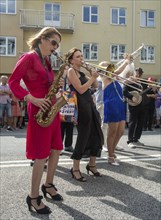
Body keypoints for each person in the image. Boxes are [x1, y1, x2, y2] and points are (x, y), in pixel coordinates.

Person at [8, 27, 64, 215]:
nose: (56, 47)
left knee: (56, 148)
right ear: (43, 39)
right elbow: (13, 82)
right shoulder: (29, 57)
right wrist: (30, 98)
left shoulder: (46, 59)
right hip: (38, 107)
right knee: (41, 155)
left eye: (58, 44)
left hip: (51, 107)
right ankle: (33, 197)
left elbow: (47, 83)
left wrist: (57, 85)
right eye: (54, 42)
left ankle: (48, 185)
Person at [65, 47, 104, 182]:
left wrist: (92, 74)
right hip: (81, 106)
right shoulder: (71, 71)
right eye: (78, 57)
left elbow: (95, 85)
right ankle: (75, 168)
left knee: (96, 134)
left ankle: (92, 165)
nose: (81, 59)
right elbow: (81, 90)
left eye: (82, 56)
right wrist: (92, 77)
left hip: (89, 104)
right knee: (83, 136)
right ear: (71, 60)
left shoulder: (81, 72)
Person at [100, 56, 132, 166]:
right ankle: (110, 155)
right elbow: (117, 71)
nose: (109, 67)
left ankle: (112, 151)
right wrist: (126, 62)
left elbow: (123, 74)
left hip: (119, 105)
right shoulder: (104, 77)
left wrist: (128, 62)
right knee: (112, 132)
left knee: (121, 131)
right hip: (111, 105)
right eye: (106, 65)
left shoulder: (115, 79)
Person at [123, 67, 147, 148]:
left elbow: (145, 92)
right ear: (133, 73)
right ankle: (130, 141)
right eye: (136, 74)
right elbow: (124, 91)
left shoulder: (142, 82)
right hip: (133, 105)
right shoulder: (129, 82)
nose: (138, 76)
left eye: (139, 74)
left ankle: (136, 139)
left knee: (140, 122)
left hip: (142, 105)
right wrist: (131, 97)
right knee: (132, 122)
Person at [60, 65, 74, 153]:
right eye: (65, 69)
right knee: (61, 127)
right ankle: (58, 146)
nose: (67, 71)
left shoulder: (72, 80)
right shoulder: (60, 80)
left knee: (70, 126)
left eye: (68, 69)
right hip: (61, 105)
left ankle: (68, 145)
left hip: (71, 105)